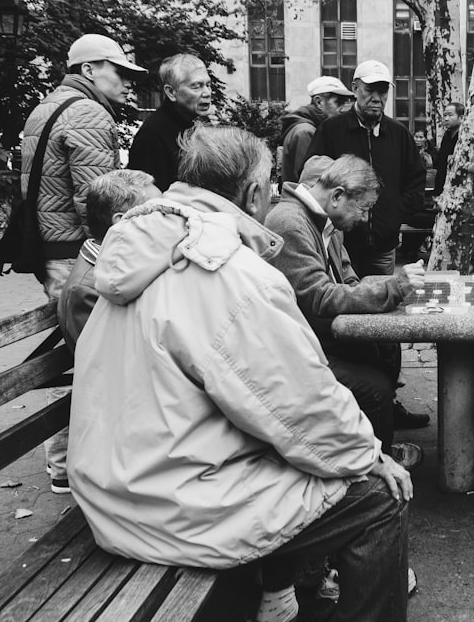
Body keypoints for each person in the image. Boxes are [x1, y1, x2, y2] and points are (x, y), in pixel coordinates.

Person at [67, 125, 412, 622]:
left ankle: (283, 589)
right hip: (172, 508)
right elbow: (299, 402)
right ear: (253, 193)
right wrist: (369, 455)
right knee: (381, 496)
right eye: (269, 185)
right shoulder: (228, 270)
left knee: (299, 457)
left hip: (112, 490)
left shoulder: (142, 251)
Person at [20, 33, 145, 494]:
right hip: (76, 255)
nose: (129, 82)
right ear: (89, 70)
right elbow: (100, 203)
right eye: (121, 72)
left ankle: (64, 459)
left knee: (79, 354)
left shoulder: (48, 106)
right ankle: (66, 463)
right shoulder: (89, 112)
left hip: (51, 251)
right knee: (96, 358)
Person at [265, 152, 431, 463]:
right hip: (296, 349)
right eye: (365, 209)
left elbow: (350, 279)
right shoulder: (289, 222)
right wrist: (392, 287)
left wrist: (386, 289)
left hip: (316, 337)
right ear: (338, 196)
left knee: (385, 347)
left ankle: (368, 445)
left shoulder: (325, 223)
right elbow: (320, 297)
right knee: (375, 388)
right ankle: (374, 469)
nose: (366, 219)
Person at [305, 59, 426, 278]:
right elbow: (311, 178)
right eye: (370, 90)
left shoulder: (398, 134)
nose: (377, 98)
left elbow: (415, 178)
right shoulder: (332, 129)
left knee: (383, 302)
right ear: (354, 88)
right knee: (345, 304)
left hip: (383, 245)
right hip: (341, 246)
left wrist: (395, 212)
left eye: (383, 92)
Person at [57, 169, 161, 353]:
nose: (167, 218)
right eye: (157, 211)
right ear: (122, 222)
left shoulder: (119, 264)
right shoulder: (85, 290)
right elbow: (106, 360)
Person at [127, 53, 211, 191]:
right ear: (171, 92)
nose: (207, 92)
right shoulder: (152, 135)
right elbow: (148, 196)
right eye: (196, 86)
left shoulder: (201, 124)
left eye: (208, 84)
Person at [281, 75, 354, 184]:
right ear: (319, 102)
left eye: (345, 102)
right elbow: (310, 181)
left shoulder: (309, 128)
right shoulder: (306, 132)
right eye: (338, 102)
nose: (343, 109)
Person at [433, 102, 463, 198]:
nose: (446, 119)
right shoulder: (446, 136)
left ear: (461, 118)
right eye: (445, 115)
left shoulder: (464, 137)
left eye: (450, 115)